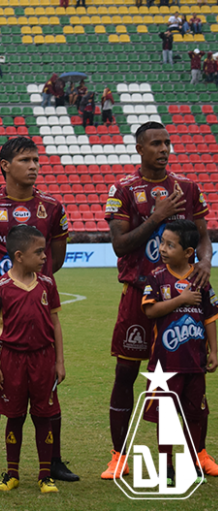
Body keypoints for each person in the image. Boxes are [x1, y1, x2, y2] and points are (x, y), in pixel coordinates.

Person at [0, 137, 77, 483]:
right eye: (25, 160)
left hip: (38, 312)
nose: (34, 166)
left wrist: (36, 288)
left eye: (36, 160)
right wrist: (0, 289)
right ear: (5, 165)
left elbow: (57, 255)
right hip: (0, 315)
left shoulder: (52, 207)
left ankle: (53, 461)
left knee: (47, 388)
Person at [101, 121, 213, 479]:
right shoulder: (124, 189)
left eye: (167, 143)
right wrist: (156, 218)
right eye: (155, 144)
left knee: (193, 374)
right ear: (139, 149)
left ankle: (199, 453)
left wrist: (206, 262)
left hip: (184, 296)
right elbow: (120, 245)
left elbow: (205, 237)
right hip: (138, 295)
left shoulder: (187, 187)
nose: (164, 149)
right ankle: (119, 456)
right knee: (126, 373)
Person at [0, 225, 65, 494]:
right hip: (11, 359)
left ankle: (45, 475)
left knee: (44, 416)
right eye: (39, 252)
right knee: (14, 416)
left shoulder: (47, 284)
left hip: (43, 359)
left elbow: (56, 323)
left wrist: (59, 362)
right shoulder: (0, 287)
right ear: (19, 256)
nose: (45, 256)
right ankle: (12, 473)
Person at [141, 220, 218, 478]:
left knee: (194, 415)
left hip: (194, 363)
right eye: (162, 243)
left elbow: (209, 317)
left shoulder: (201, 279)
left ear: (188, 252)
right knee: (166, 418)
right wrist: (181, 300)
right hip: (165, 365)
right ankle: (166, 465)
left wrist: (214, 350)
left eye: (170, 245)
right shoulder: (156, 277)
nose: (163, 248)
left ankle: (194, 462)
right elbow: (150, 310)